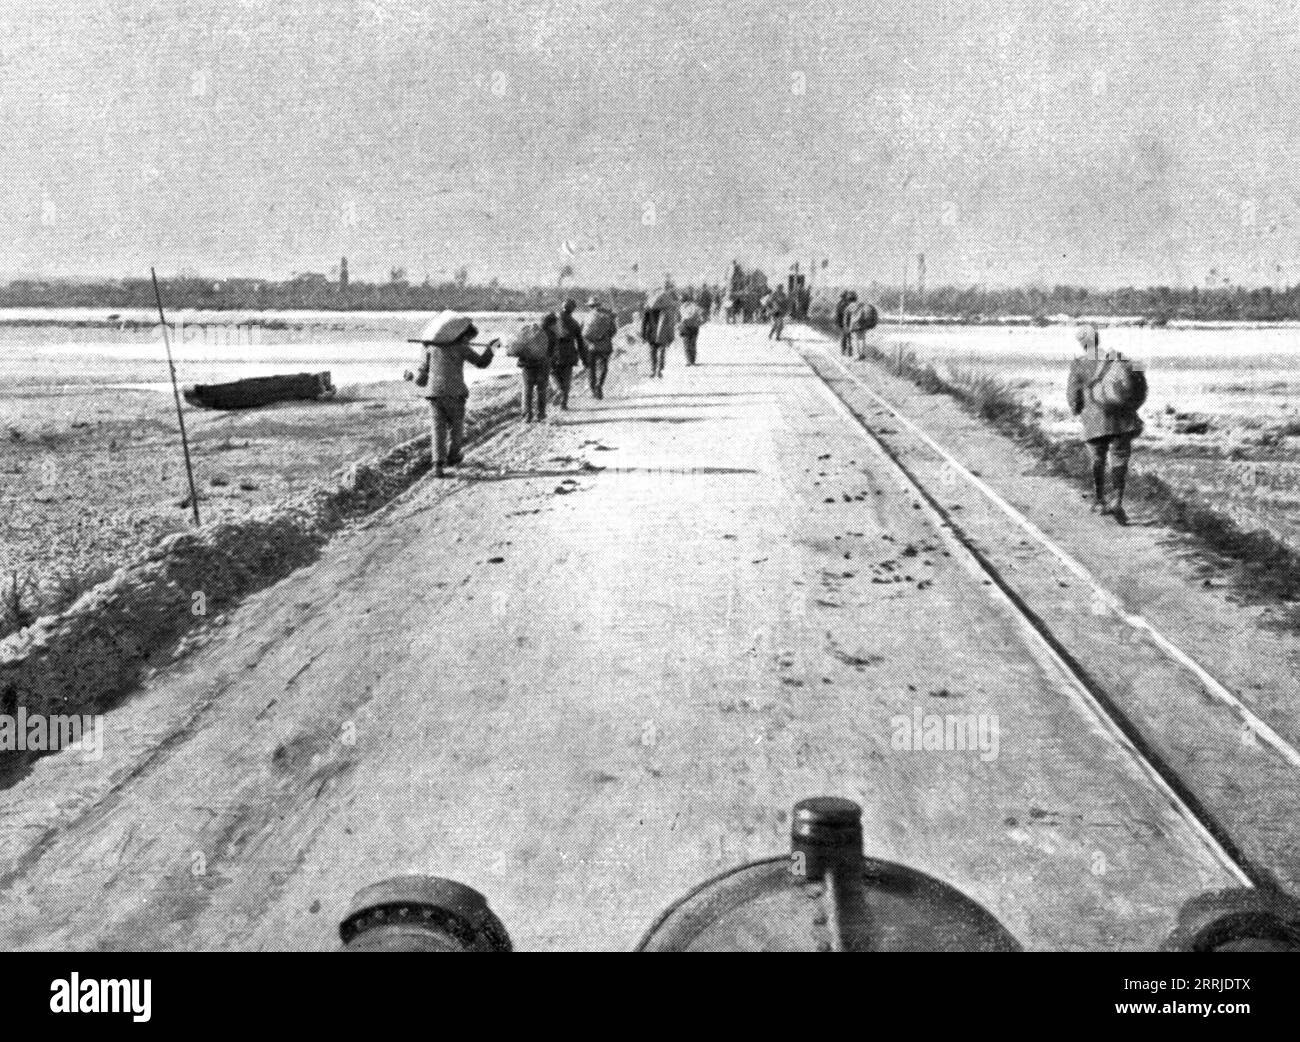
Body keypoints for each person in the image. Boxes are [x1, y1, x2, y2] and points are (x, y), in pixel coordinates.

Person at [1067, 323, 1148, 524]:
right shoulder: (1118, 357)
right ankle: (1118, 499)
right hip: (1122, 419)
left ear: (1081, 343)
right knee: (1120, 459)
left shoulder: (1079, 364)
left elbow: (1073, 395)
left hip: (1096, 420)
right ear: (1098, 339)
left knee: (1098, 459)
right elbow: (1140, 371)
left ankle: (1100, 499)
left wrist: (1077, 410)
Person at [409, 311, 496, 477]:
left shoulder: (430, 348)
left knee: (437, 429)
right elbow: (482, 363)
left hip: (434, 395)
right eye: (468, 338)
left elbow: (421, 379)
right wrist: (490, 349)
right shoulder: (462, 348)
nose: (469, 342)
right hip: (455, 394)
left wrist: (412, 377)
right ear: (462, 335)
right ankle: (453, 456)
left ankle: (437, 465)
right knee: (456, 428)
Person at [514, 315, 554, 422]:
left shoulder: (528, 334)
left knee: (527, 390)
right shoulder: (550, 334)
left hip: (527, 367)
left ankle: (527, 415)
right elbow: (552, 352)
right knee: (541, 390)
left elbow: (519, 348)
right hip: (542, 366)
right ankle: (541, 414)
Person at [549, 298, 586, 409]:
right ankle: (563, 404)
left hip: (554, 352)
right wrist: (584, 359)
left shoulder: (553, 320)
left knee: (552, 374)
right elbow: (580, 343)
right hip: (569, 353)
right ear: (573, 309)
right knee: (566, 378)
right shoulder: (574, 323)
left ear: (562, 307)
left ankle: (557, 390)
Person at [641, 280, 679, 378]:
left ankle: (653, 370)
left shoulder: (649, 306)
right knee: (662, 351)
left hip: (651, 332)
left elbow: (644, 322)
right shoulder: (667, 306)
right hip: (663, 332)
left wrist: (643, 334)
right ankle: (659, 370)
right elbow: (672, 321)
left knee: (652, 352)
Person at [583, 296, 617, 398]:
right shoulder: (607, 316)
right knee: (603, 367)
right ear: (599, 305)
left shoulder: (587, 316)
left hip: (591, 346)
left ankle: (593, 390)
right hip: (604, 346)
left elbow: (583, 333)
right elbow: (613, 331)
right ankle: (599, 384)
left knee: (591, 368)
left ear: (589, 306)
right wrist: (605, 337)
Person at [678, 292, 704, 365]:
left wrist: (678, 326)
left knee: (686, 344)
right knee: (693, 344)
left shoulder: (682, 307)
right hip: (695, 327)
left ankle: (688, 361)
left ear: (682, 300)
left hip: (685, 327)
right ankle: (693, 360)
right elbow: (701, 315)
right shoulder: (695, 305)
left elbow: (679, 318)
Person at [835, 291, 857, 356]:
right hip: (843, 322)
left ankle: (845, 351)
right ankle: (846, 351)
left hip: (843, 322)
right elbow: (843, 314)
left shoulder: (840, 303)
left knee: (846, 336)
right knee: (846, 336)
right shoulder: (843, 304)